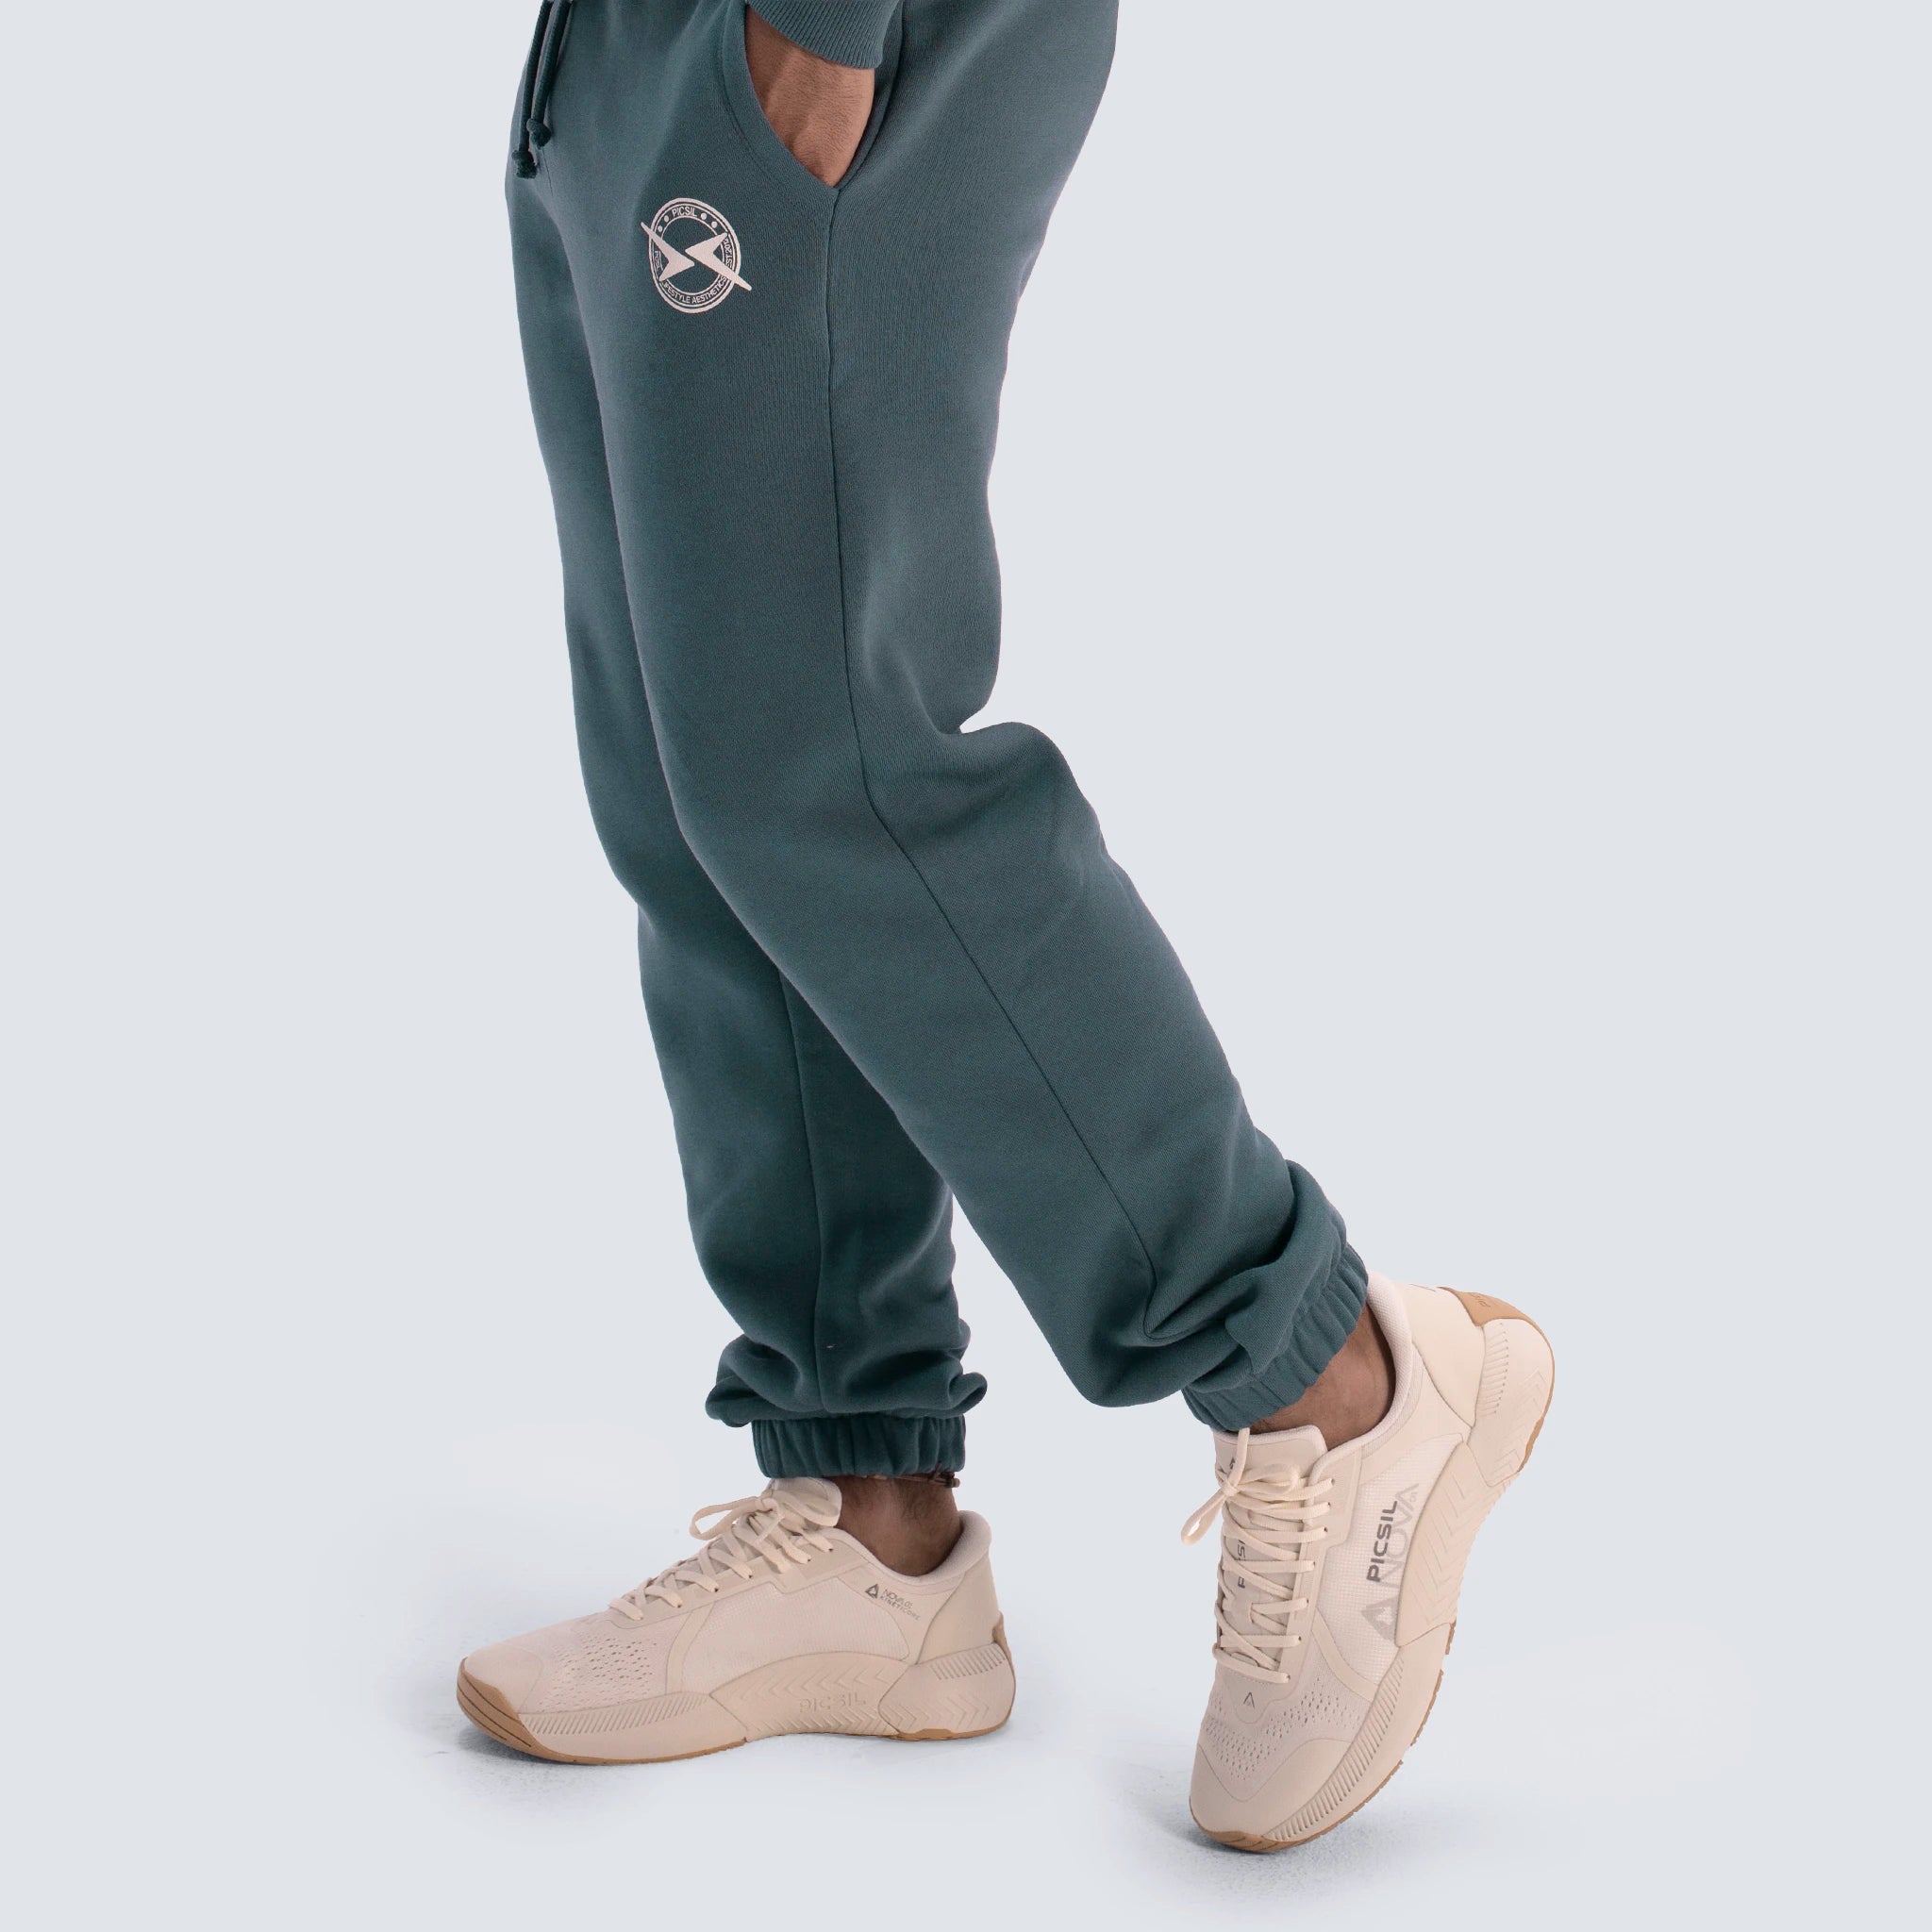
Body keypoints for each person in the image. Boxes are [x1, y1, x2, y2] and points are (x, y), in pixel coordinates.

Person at [460, 1, 1553, 1850]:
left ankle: (1325, 1372)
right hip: (618, 55)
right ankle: (866, 1515)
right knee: (695, 792)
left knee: (826, 766)